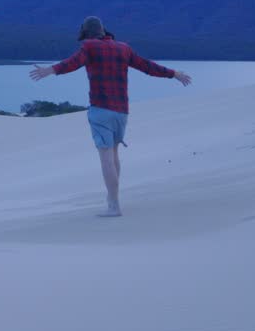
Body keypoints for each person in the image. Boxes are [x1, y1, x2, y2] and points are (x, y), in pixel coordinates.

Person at [29, 16, 191, 217]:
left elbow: (72, 63)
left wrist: (50, 70)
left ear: (86, 33)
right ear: (103, 31)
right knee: (114, 155)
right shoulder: (124, 48)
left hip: (100, 108)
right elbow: (147, 66)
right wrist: (174, 73)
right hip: (121, 110)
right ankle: (112, 200)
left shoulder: (89, 47)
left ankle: (114, 205)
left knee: (106, 157)